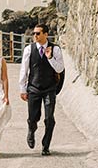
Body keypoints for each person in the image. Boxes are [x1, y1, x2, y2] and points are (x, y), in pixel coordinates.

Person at [18, 23, 65, 156]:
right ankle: (31, 130)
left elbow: (60, 69)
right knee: (33, 117)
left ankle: (46, 146)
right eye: (34, 33)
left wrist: (50, 57)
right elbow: (24, 70)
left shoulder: (55, 49)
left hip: (49, 88)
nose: (35, 36)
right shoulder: (29, 49)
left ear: (45, 34)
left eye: (38, 33)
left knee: (49, 118)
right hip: (33, 88)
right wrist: (22, 89)